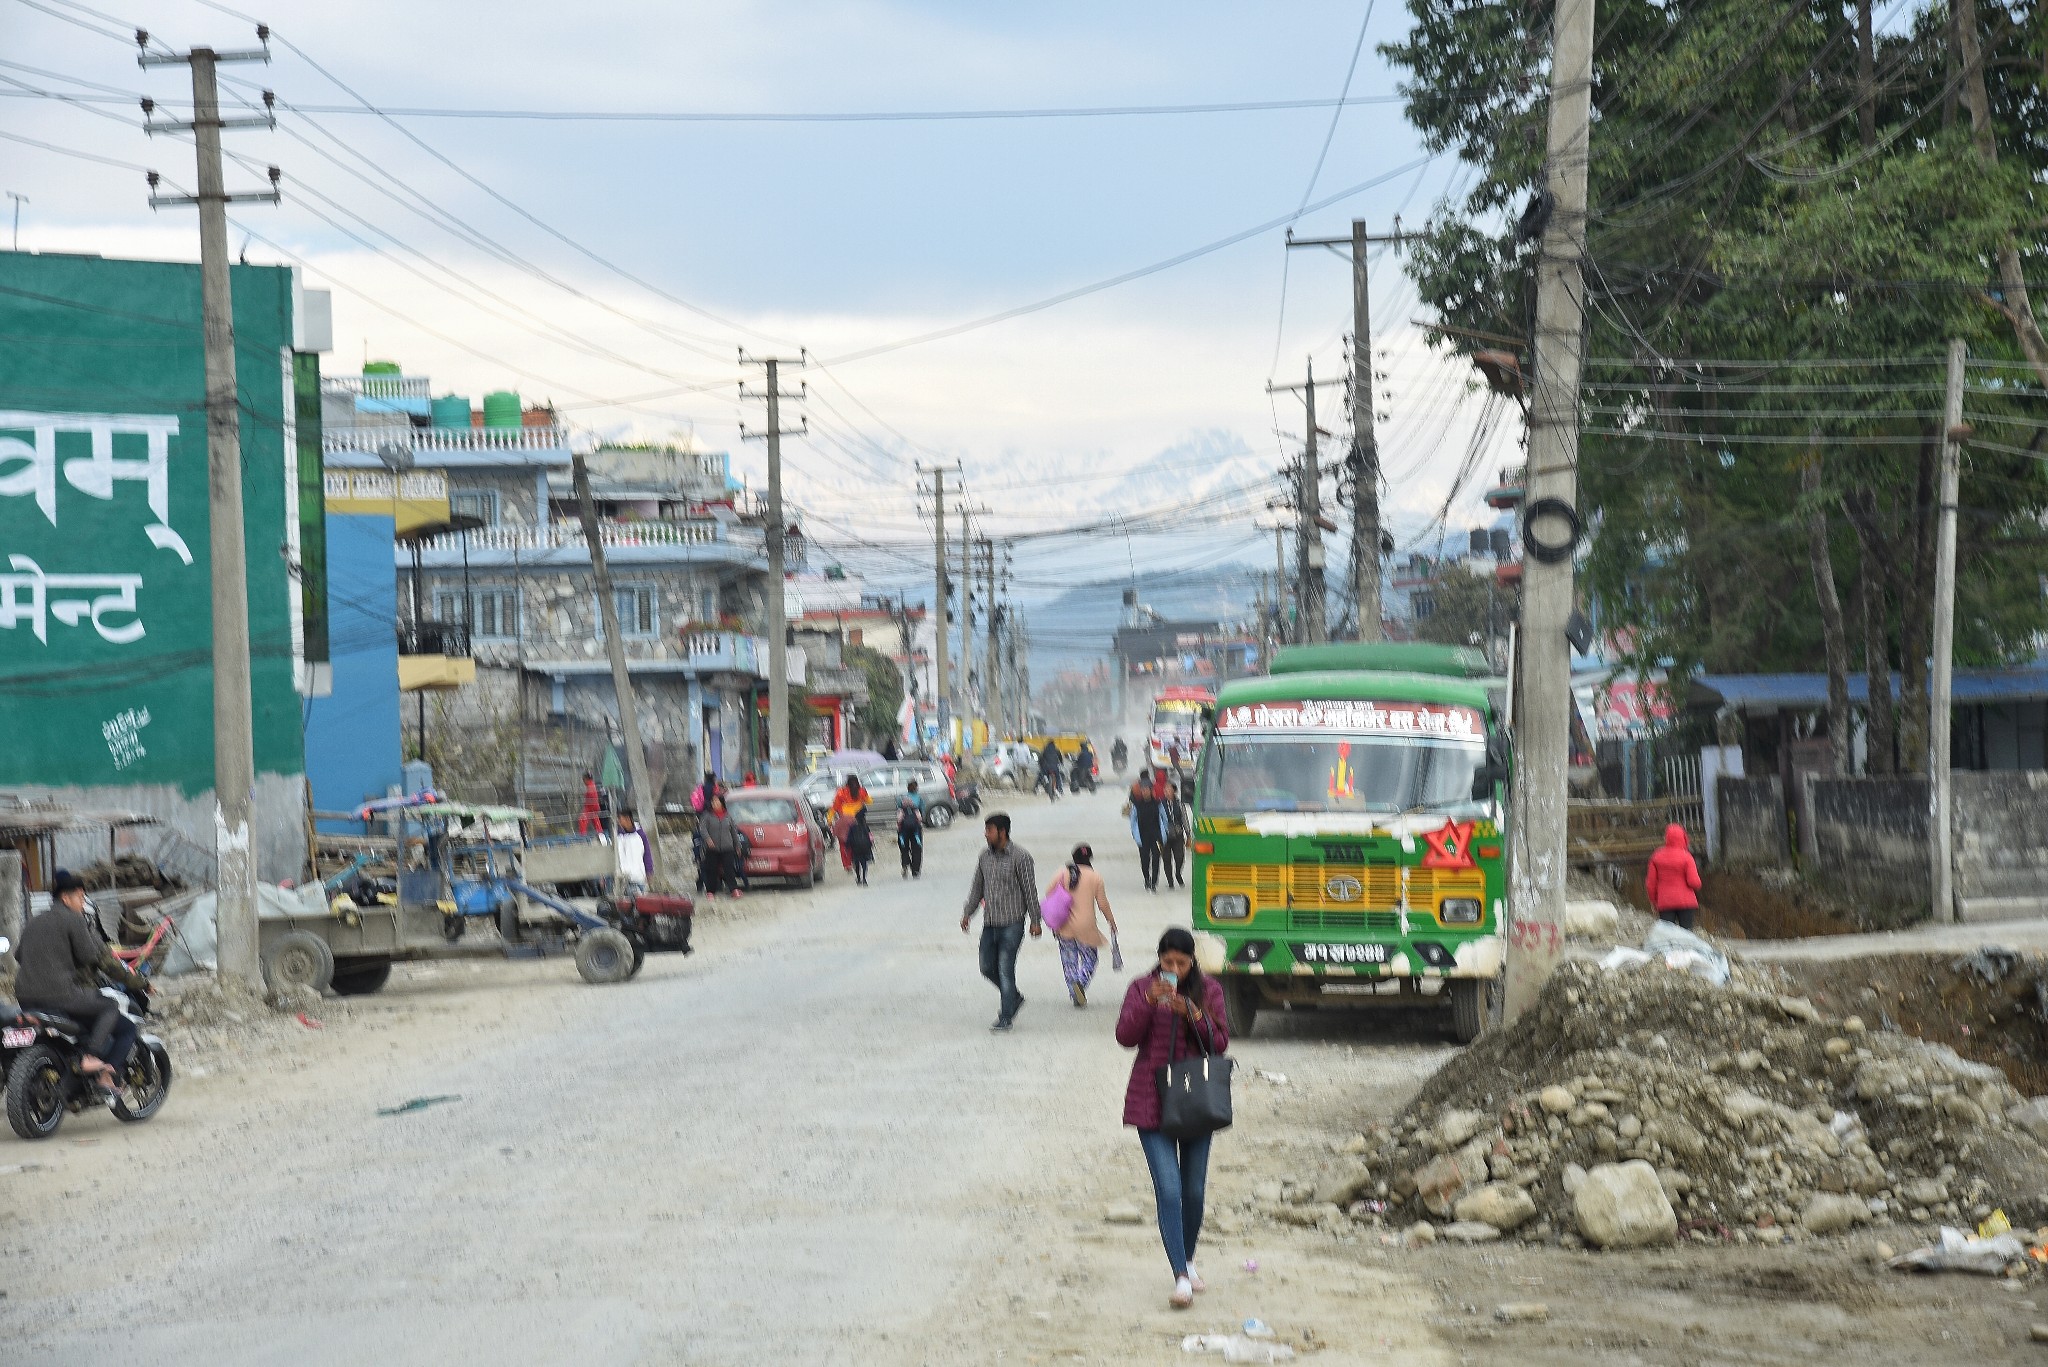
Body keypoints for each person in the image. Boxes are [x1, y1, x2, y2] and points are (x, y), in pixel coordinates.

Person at [1115, 927, 1228, 1310]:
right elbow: (1125, 1036)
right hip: (1152, 1099)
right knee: (1169, 1190)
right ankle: (1180, 1276)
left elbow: (1221, 1042)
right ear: (1159, 959)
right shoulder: (1141, 987)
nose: (1175, 970)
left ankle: (1189, 1260)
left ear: (1193, 961)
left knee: (1193, 1191)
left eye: (1182, 963)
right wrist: (1149, 1002)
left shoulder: (1209, 990)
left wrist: (1193, 1013)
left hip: (1196, 1099)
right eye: (1168, 963)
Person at [14, 870, 151, 1091]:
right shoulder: (74, 919)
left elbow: (18, 955)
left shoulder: (34, 921)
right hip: (60, 996)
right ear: (66, 898)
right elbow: (90, 957)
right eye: (79, 897)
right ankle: (92, 1057)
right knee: (110, 1007)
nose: (82, 901)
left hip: (25, 998)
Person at [960, 812, 1041, 1032]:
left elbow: (1030, 891)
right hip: (990, 923)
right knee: (986, 967)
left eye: (989, 830)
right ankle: (1013, 996)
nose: (986, 835)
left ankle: (1006, 1016)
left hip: (1012, 924)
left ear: (1002, 832)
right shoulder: (984, 857)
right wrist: (968, 913)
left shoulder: (1021, 857)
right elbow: (977, 887)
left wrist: (1035, 920)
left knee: (1005, 970)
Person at [1047, 843, 1117, 1007]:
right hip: (1086, 925)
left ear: (1073, 857)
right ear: (1090, 858)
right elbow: (1102, 903)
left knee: (1069, 961)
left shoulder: (1062, 873)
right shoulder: (1095, 876)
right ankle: (1081, 981)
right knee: (1090, 959)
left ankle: (1074, 991)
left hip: (1064, 925)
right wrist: (1111, 920)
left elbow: (1049, 894)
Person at [1645, 823, 1703, 930]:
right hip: (1686, 902)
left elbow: (1650, 884)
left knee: (1668, 935)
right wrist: (1698, 884)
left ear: (1666, 838)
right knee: (1686, 933)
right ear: (1684, 838)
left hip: (1665, 902)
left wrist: (1653, 901)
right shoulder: (1687, 857)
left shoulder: (1656, 856)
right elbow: (1694, 882)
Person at [697, 796, 742, 900]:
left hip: (727, 847)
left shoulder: (728, 816)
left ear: (722, 803)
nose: (714, 803)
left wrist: (738, 846)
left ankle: (733, 889)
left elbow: (734, 832)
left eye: (716, 801)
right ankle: (710, 891)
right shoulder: (707, 816)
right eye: (713, 801)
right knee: (711, 870)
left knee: (729, 869)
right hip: (712, 848)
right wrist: (708, 839)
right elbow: (702, 829)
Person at [1129, 769, 1164, 892]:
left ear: (1151, 790)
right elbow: (1133, 822)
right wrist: (1135, 835)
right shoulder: (1137, 806)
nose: (1144, 792)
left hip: (1156, 836)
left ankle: (1154, 882)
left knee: (1156, 858)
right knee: (1145, 860)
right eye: (1142, 790)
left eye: (1146, 790)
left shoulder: (1158, 804)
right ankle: (1146, 879)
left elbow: (1163, 820)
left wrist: (1163, 835)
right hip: (1143, 837)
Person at [831, 775, 871, 873]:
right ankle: (859, 858)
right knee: (858, 840)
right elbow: (869, 801)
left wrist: (829, 819)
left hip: (844, 821)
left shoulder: (841, 792)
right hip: (858, 821)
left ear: (847, 783)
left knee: (843, 843)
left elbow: (835, 807)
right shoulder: (861, 791)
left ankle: (847, 864)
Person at [615, 809, 651, 891]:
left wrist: (649, 871)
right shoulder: (619, 836)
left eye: (620, 819)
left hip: (638, 877)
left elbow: (647, 854)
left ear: (627, 818)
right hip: (624, 878)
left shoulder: (640, 834)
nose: (618, 822)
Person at [896, 781, 926, 879]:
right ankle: (915, 870)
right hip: (915, 827)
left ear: (907, 788)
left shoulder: (901, 798)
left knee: (904, 847)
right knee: (916, 848)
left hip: (903, 827)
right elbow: (923, 811)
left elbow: (897, 809)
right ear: (916, 788)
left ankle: (905, 862)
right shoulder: (919, 798)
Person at [1162, 791, 1189, 890]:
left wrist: (1188, 833)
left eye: (1169, 790)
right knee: (1166, 859)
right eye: (1166, 790)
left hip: (1178, 834)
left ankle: (1178, 873)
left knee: (1180, 856)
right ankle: (1170, 881)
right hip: (1165, 835)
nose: (1167, 792)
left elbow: (1184, 818)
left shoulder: (1179, 804)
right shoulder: (1161, 805)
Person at [845, 809, 876, 886]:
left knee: (857, 863)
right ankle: (864, 879)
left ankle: (859, 878)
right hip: (865, 847)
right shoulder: (866, 827)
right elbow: (870, 837)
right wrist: (871, 845)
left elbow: (849, 838)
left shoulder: (852, 827)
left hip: (855, 847)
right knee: (864, 863)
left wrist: (847, 846)